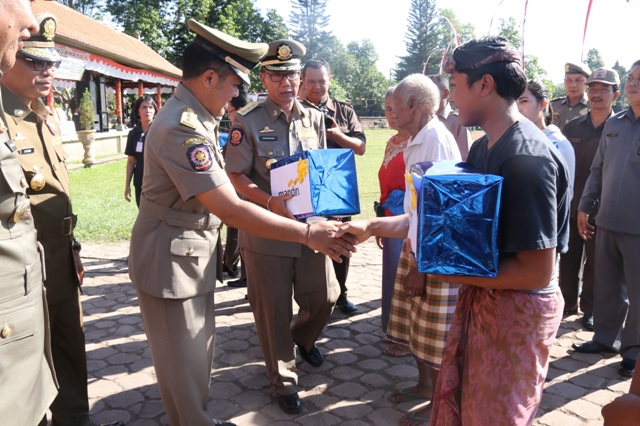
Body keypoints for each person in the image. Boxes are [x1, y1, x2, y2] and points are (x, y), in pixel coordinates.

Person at [127, 23, 356, 426]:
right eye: (234, 83)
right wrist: (305, 231)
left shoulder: (196, 118)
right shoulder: (184, 126)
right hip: (173, 260)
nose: (237, 93)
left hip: (187, 256)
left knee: (195, 358)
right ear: (210, 77)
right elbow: (230, 207)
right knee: (184, 362)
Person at [338, 36, 570, 425]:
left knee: (496, 415)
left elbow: (536, 271)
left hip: (517, 311)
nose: (449, 97)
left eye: (456, 85)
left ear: (485, 85)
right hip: (487, 297)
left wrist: (439, 271)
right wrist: (370, 226)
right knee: (466, 406)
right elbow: (437, 220)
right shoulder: (486, 148)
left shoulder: (528, 158)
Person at [2, 13, 124, 426]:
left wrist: (72, 249)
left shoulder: (47, 116)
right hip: (21, 263)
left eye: (50, 63)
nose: (47, 70)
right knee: (29, 354)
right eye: (35, 62)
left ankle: (75, 419)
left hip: (60, 253)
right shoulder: (4, 117)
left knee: (70, 341)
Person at [225, 39, 338, 415]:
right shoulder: (249, 119)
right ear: (265, 77)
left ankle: (302, 337)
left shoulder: (315, 117)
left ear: (300, 78)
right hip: (267, 234)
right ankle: (283, 380)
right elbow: (235, 176)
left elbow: (322, 170)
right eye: (277, 75)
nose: (286, 82)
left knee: (325, 296)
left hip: (310, 230)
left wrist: (332, 208)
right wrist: (270, 200)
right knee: (272, 313)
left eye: (291, 75)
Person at [384, 74, 461, 425]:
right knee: (417, 325)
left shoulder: (437, 142)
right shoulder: (417, 139)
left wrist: (420, 266)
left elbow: (441, 212)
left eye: (396, 104)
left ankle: (439, 406)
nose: (391, 110)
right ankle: (424, 387)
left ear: (414, 105)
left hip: (433, 255)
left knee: (436, 334)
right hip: (416, 245)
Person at [0, 3, 57, 426]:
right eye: (35, 60)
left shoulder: (44, 115)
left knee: (61, 347)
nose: (31, 22)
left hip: (43, 260)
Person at [572, 60, 640, 379]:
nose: (633, 83)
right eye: (631, 78)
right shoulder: (617, 124)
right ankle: (604, 338)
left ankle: (633, 351)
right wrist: (585, 206)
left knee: (637, 292)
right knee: (607, 286)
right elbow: (598, 169)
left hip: (637, 227)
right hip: (606, 221)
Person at [301, 58, 366, 314]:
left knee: (342, 240)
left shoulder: (344, 110)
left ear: (330, 79)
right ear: (303, 82)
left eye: (321, 81)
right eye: (311, 81)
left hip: (337, 184)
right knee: (308, 242)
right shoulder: (295, 110)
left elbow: (360, 147)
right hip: (306, 184)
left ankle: (341, 294)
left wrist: (337, 135)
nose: (317, 86)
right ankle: (311, 301)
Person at [560, 68, 620, 330]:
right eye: (593, 88)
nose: (596, 94)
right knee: (568, 256)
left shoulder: (621, 129)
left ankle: (591, 309)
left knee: (597, 262)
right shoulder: (572, 127)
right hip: (572, 203)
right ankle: (566, 302)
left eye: (603, 89)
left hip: (603, 207)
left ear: (615, 95)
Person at [376, 86, 411, 356]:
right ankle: (395, 330)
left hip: (405, 217)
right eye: (387, 109)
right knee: (391, 274)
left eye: (395, 108)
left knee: (405, 275)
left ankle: (406, 336)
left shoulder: (416, 142)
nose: (391, 114)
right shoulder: (392, 141)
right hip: (389, 215)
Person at [517, 79, 576, 191]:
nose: (518, 108)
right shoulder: (513, 140)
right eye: (514, 102)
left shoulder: (559, 143)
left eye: (524, 101)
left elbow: (566, 193)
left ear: (543, 104)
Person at [222, 87, 252, 287]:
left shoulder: (241, 130)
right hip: (238, 190)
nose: (228, 115)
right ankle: (233, 266)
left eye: (230, 112)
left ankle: (246, 276)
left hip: (246, 191)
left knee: (244, 233)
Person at [428, 74, 472, 160]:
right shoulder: (424, 120)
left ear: (445, 94)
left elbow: (464, 158)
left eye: (431, 90)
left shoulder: (458, 122)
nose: (426, 95)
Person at [124, 95, 157, 207]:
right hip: (140, 179)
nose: (148, 110)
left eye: (151, 107)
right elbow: (130, 162)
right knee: (143, 210)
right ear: (138, 111)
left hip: (159, 179)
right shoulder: (133, 134)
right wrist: (127, 185)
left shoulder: (161, 132)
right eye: (144, 107)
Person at [550, 62, 591, 128]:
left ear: (587, 83)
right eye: (569, 80)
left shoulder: (593, 107)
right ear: (564, 82)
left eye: (578, 80)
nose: (573, 85)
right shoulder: (552, 106)